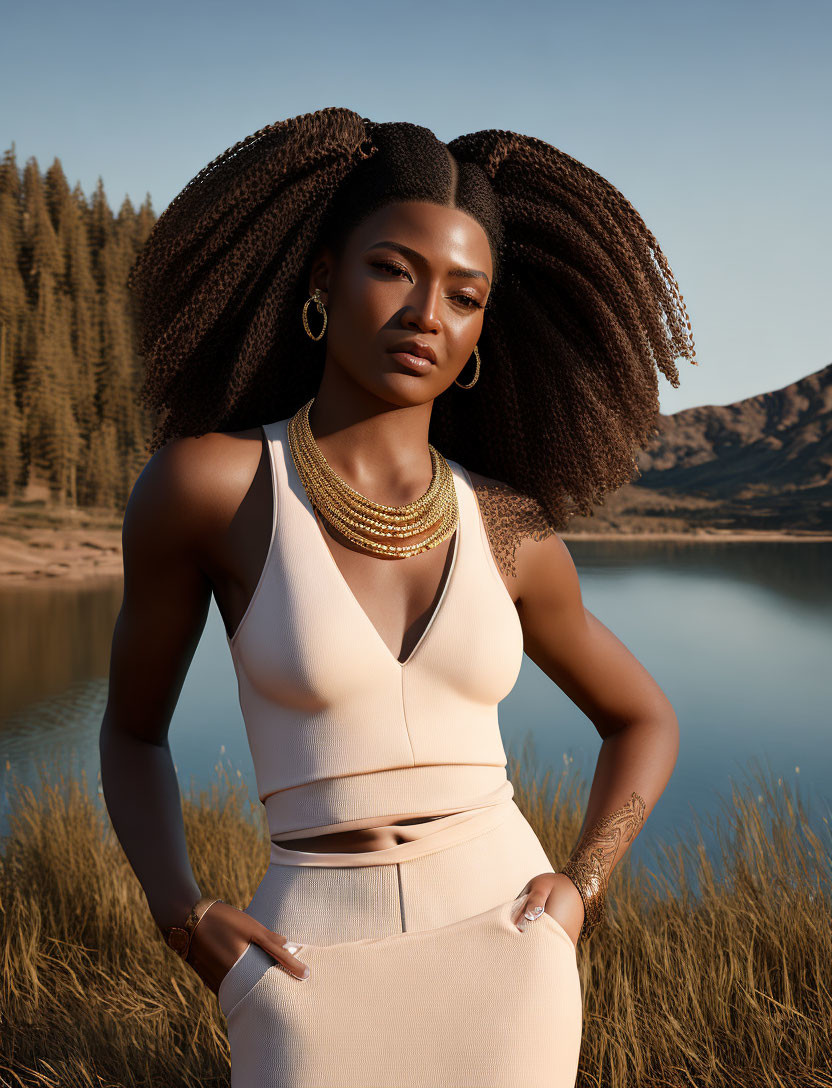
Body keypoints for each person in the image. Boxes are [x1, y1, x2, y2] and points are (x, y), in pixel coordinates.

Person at [99, 107, 690, 1087]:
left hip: (510, 952)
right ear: (323, 275)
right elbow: (131, 732)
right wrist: (185, 915)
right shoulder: (211, 487)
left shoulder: (508, 528)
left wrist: (578, 892)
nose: (427, 312)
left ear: (480, 331)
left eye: (465, 295)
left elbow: (643, 718)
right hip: (304, 963)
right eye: (393, 268)